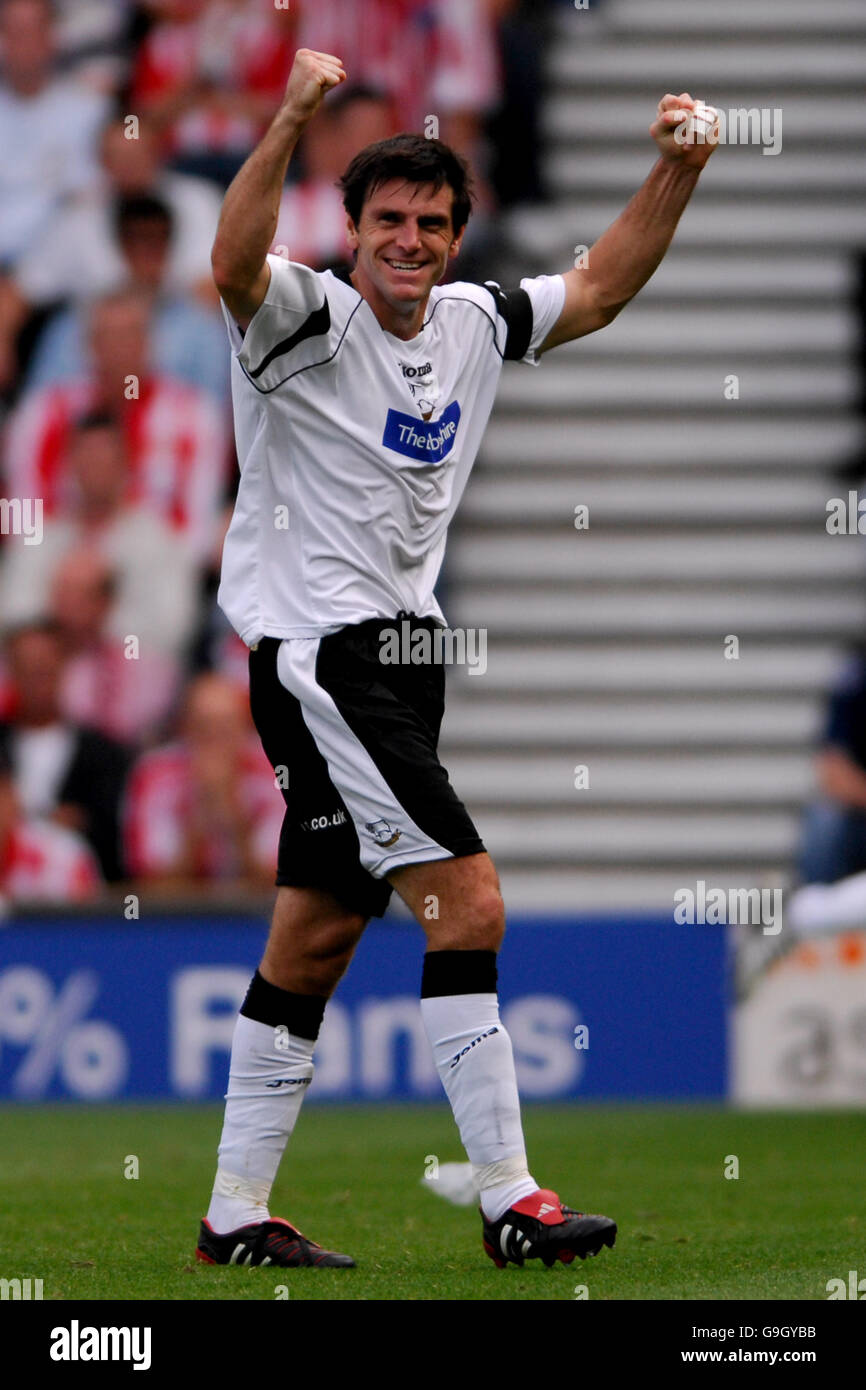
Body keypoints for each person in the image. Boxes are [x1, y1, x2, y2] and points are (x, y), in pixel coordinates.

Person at [197, 47, 718, 1272]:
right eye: (389, 220)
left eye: (432, 222)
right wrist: (288, 116)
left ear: (453, 231)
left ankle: (232, 1216)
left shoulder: (476, 322)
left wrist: (675, 170)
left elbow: (596, 290)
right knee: (470, 901)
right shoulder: (302, 316)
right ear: (353, 225)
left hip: (400, 663)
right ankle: (508, 1198)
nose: (410, 241)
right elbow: (227, 264)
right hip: (326, 663)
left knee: (314, 939)